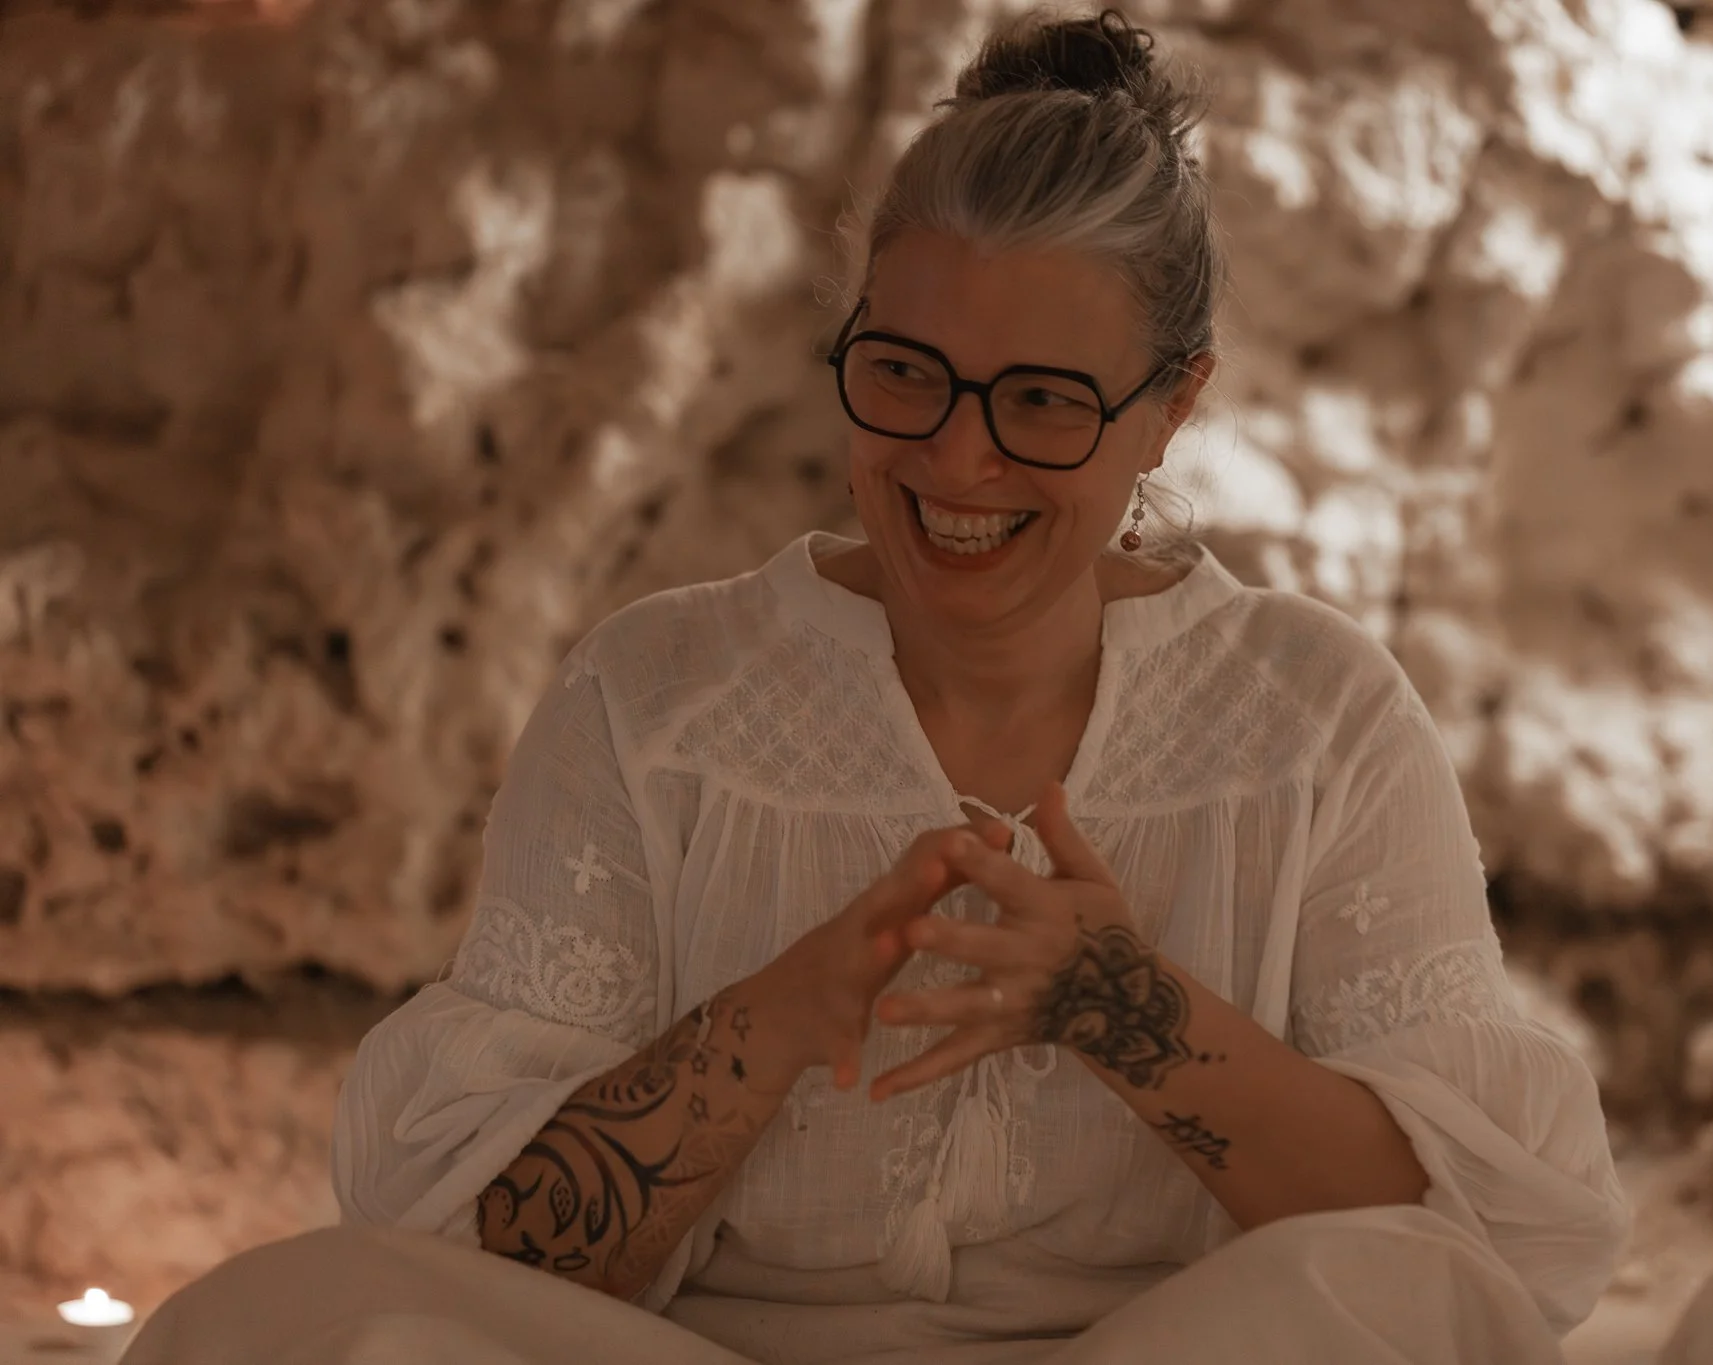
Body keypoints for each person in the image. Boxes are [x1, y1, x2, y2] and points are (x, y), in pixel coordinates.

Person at [120, 10, 1627, 1364]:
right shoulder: (657, 694)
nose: (957, 460)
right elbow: (492, 1241)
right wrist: (774, 1021)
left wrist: (1124, 1007)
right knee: (286, 1320)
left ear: (1172, 407)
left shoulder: (1317, 715)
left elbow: (1466, 1248)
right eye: (904, 373)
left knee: (1412, 1309)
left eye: (1040, 403)